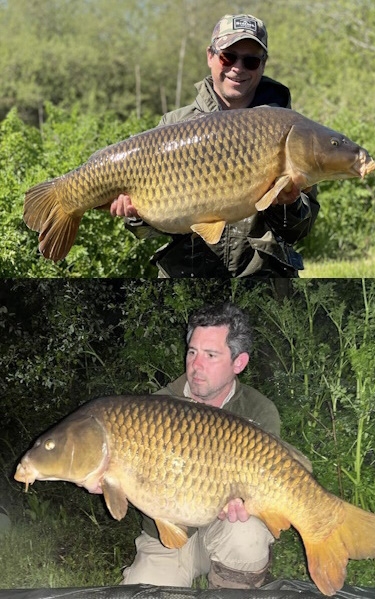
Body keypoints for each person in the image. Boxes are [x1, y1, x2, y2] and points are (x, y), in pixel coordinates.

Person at [110, 14, 320, 278]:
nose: (238, 68)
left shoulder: (285, 129)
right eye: (228, 57)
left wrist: (285, 204)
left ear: (262, 65)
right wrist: (136, 217)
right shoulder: (173, 124)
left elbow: (299, 230)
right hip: (189, 277)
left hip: (263, 277)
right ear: (210, 56)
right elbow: (150, 232)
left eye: (251, 60)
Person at [121, 302, 280, 589]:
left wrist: (251, 504)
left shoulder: (258, 410)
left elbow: (270, 489)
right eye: (192, 352)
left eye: (210, 355)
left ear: (238, 363)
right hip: (164, 538)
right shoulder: (155, 408)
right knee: (144, 590)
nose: (196, 365)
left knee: (247, 535)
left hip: (226, 532)